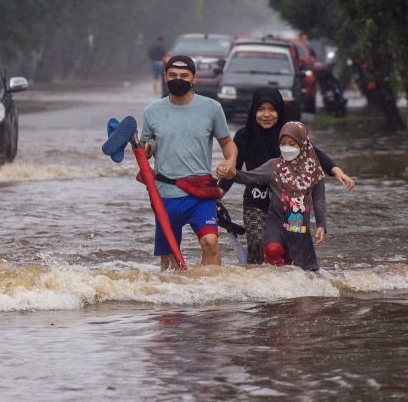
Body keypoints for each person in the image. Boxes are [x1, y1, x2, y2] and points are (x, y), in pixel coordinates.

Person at [218, 87, 354, 263]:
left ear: (280, 110)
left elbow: (315, 154)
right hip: (256, 202)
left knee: (290, 253)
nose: (266, 115)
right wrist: (217, 194)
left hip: (288, 206)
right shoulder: (244, 136)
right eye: (261, 109)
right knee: (258, 246)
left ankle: (287, 284)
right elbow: (234, 171)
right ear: (253, 111)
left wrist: (337, 171)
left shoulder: (289, 135)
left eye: (272, 109)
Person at [140, 55, 238, 268]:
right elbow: (147, 148)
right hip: (166, 194)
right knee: (170, 259)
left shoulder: (212, 108)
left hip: (200, 192)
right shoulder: (152, 111)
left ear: (194, 79)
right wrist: (144, 148)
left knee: (210, 242)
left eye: (184, 75)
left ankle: (211, 295)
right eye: (173, 75)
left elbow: (227, 143)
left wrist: (231, 161)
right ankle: (175, 299)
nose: (178, 79)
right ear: (165, 77)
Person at [224, 121, 327, 271]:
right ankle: (274, 285)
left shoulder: (314, 171)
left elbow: (319, 200)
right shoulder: (274, 166)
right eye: (283, 143)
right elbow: (249, 177)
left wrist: (321, 225)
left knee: (298, 266)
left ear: (303, 143)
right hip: (276, 221)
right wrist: (230, 173)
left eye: (292, 143)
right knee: (272, 250)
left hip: (297, 224)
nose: (287, 148)